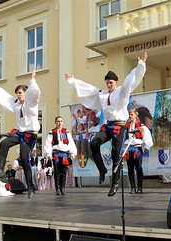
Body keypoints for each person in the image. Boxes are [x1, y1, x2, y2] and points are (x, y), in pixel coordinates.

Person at [65, 52, 148, 196]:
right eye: (107, 82)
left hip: (120, 127)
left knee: (116, 155)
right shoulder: (102, 94)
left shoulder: (122, 91)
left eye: (111, 82)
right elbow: (86, 88)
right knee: (94, 143)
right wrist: (72, 80)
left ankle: (115, 183)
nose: (109, 84)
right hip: (108, 126)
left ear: (115, 82)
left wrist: (140, 65)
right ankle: (102, 169)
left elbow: (131, 80)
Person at [0, 70, 40, 199]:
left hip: (30, 135)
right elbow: (4, 97)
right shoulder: (16, 104)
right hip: (20, 133)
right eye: (17, 93)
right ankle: (0, 172)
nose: (18, 95)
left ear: (25, 93)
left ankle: (30, 185)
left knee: (24, 158)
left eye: (20, 93)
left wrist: (32, 80)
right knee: (4, 143)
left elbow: (35, 94)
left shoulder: (31, 104)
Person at [44, 116, 77, 195]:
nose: (60, 123)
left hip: (64, 154)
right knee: (57, 172)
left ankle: (63, 188)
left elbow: (71, 143)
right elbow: (48, 144)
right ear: (55, 122)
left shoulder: (66, 132)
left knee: (64, 172)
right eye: (58, 121)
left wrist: (73, 153)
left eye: (61, 121)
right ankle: (57, 188)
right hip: (56, 154)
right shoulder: (52, 132)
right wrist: (48, 154)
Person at [123, 109, 153, 194]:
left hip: (137, 148)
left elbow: (147, 136)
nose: (130, 116)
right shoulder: (127, 127)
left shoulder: (141, 126)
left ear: (136, 115)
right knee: (130, 169)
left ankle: (140, 187)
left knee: (139, 168)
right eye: (129, 114)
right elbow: (123, 138)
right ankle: (133, 188)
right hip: (129, 148)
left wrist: (147, 147)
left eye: (132, 114)